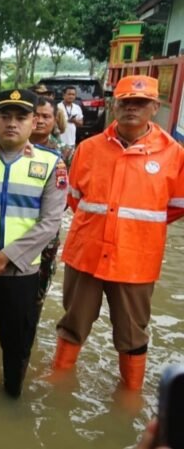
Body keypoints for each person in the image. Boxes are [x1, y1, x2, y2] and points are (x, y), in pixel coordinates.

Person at [52, 75, 184, 390]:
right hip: (86, 254)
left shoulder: (173, 154)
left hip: (136, 261)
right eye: (125, 101)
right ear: (113, 105)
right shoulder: (89, 148)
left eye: (140, 102)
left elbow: (176, 207)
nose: (131, 108)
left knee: (132, 332)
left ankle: (130, 394)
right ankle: (58, 380)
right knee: (73, 322)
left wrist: (135, 231)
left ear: (155, 106)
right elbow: (74, 198)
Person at [0, 89, 67, 398]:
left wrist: (5, 257)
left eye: (21, 117)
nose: (12, 123)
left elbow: (50, 222)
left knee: (16, 340)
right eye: (5, 116)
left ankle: (12, 395)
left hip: (21, 273)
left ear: (35, 122)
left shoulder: (51, 164)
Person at [29, 97, 72, 310]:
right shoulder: (9, 144)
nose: (39, 121)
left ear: (55, 120)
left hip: (47, 232)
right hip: (11, 225)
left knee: (38, 285)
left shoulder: (65, 153)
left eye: (46, 116)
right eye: (35, 115)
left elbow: (72, 193)